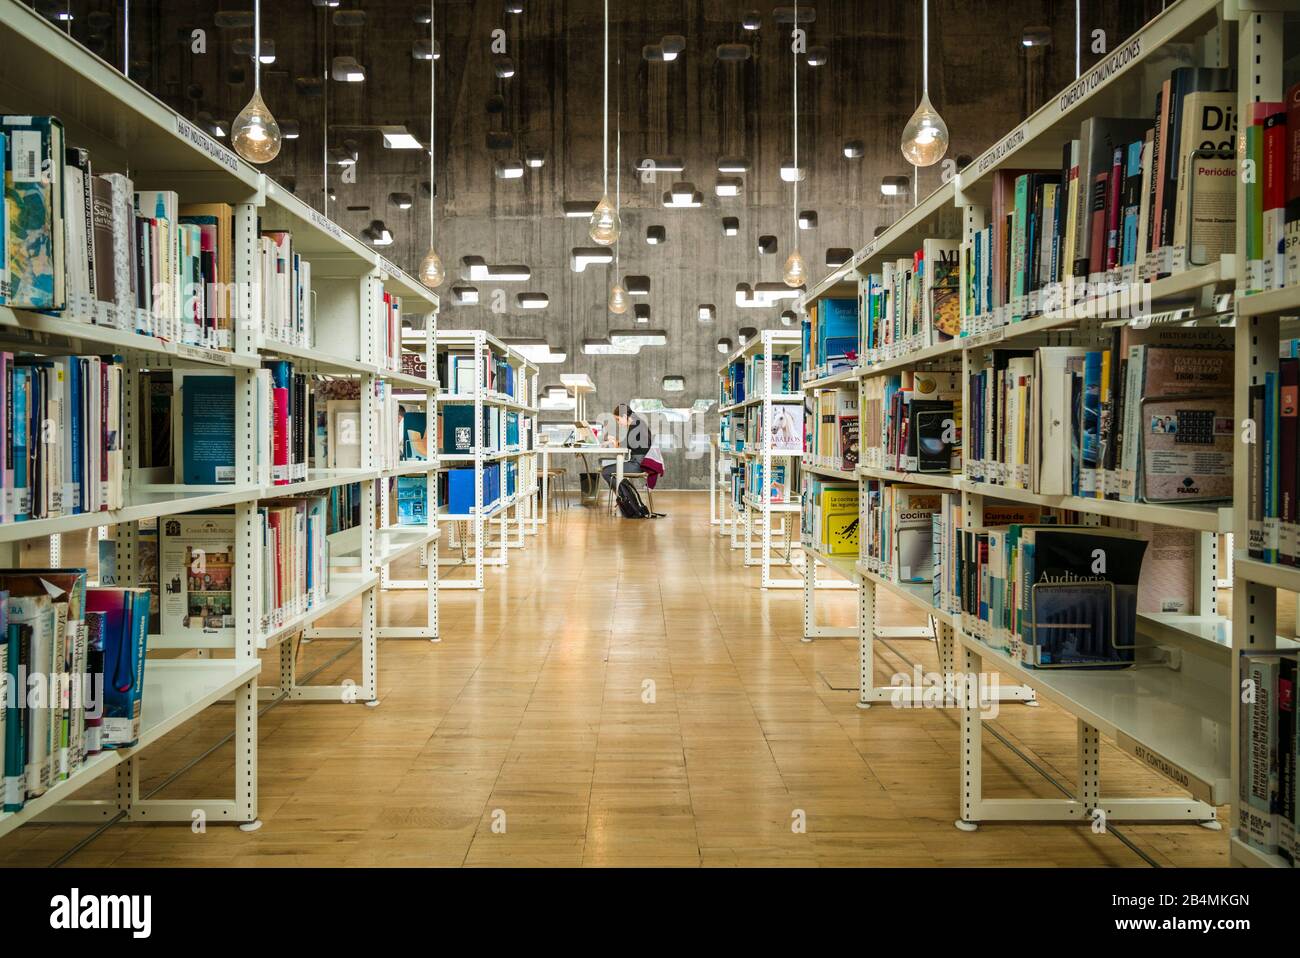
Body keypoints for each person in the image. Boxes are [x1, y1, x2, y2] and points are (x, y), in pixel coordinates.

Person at [602, 402, 652, 492]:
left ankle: (624, 497)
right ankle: (625, 495)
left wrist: (614, 441)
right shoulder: (637, 422)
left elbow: (623, 446)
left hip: (638, 465)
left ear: (624, 416)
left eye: (618, 419)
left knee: (605, 472)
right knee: (607, 470)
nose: (618, 422)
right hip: (639, 463)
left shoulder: (636, 425)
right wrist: (615, 441)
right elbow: (626, 444)